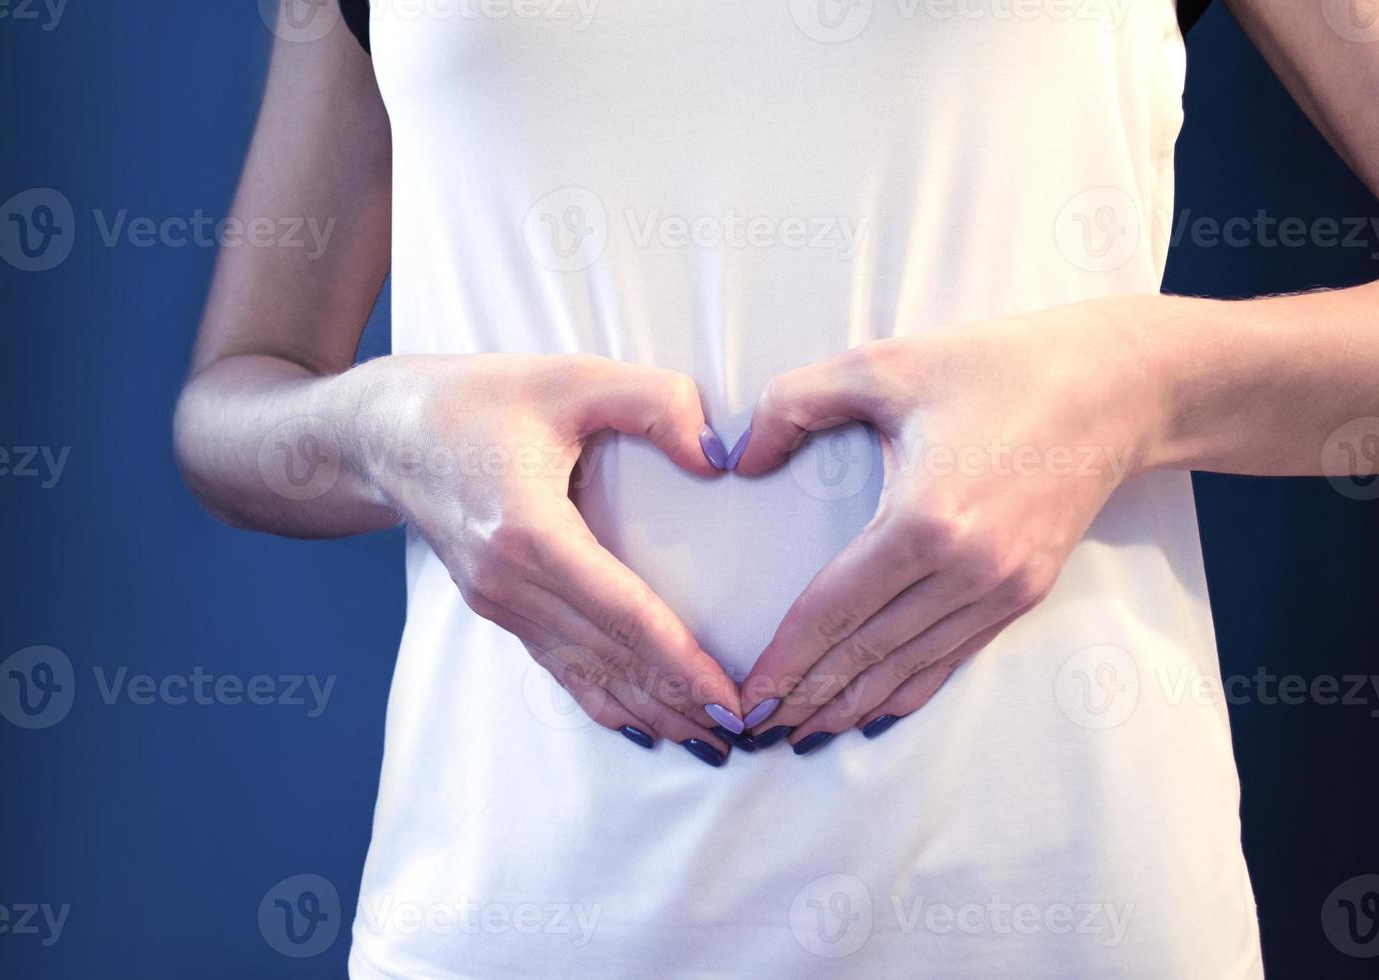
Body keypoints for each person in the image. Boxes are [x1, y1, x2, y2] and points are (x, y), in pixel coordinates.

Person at [174, 1, 1378, 975]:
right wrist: (390, 428)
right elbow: (235, 396)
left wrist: (1138, 380)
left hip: (1059, 911)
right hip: (512, 916)